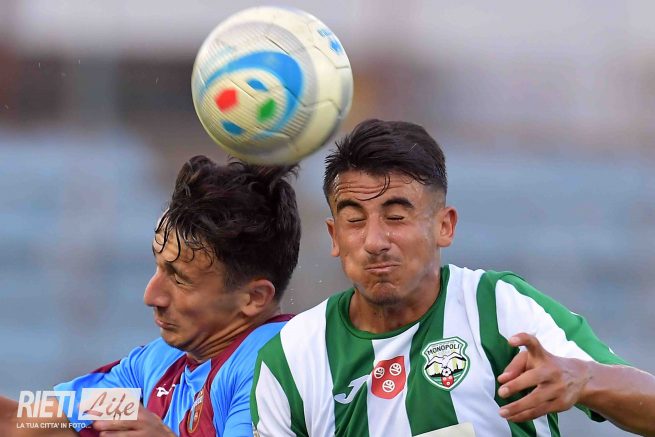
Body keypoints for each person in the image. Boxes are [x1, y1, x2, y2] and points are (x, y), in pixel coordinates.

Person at [251, 119, 655, 436]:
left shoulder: (499, 307)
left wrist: (584, 378)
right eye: (354, 220)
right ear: (334, 236)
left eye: (396, 216)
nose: (374, 241)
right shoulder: (292, 354)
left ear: (444, 226)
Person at [0, 155, 301, 436]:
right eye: (158, 266)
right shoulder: (155, 364)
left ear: (254, 297)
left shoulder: (278, 367)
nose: (151, 296)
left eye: (180, 279)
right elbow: (19, 423)